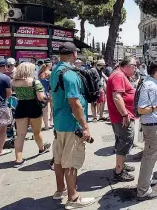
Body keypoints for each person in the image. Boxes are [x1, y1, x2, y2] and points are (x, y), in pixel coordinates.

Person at [50, 42, 95, 208]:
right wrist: (85, 127)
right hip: (71, 124)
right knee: (71, 161)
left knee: (59, 159)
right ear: (74, 54)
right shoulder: (70, 74)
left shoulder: (55, 70)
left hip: (59, 123)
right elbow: (74, 103)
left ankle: (60, 190)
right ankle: (73, 198)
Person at [136, 60, 157, 201]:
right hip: (153, 126)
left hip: (155, 125)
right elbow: (141, 109)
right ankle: (143, 191)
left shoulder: (152, 84)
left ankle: (147, 181)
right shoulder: (150, 86)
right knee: (149, 158)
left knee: (151, 157)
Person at [12, 62, 51, 167]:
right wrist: (47, 97)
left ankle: (18, 159)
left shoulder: (14, 82)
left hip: (21, 107)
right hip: (34, 108)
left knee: (20, 135)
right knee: (37, 132)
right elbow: (40, 97)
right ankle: (41, 148)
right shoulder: (35, 82)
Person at [106, 58, 137, 182]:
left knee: (122, 140)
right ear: (128, 65)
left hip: (121, 116)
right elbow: (117, 96)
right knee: (125, 141)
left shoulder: (119, 74)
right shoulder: (118, 76)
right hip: (121, 117)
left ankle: (121, 165)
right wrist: (125, 114)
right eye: (135, 66)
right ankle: (119, 171)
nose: (136, 68)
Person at [0, 59, 13, 157]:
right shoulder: (5, 78)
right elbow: (9, 93)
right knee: (2, 130)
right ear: (4, 67)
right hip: (0, 106)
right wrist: (4, 100)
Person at [39, 59, 53, 130]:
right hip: (50, 92)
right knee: (52, 108)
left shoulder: (40, 73)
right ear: (49, 65)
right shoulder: (50, 73)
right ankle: (51, 122)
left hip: (42, 93)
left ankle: (46, 125)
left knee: (44, 110)